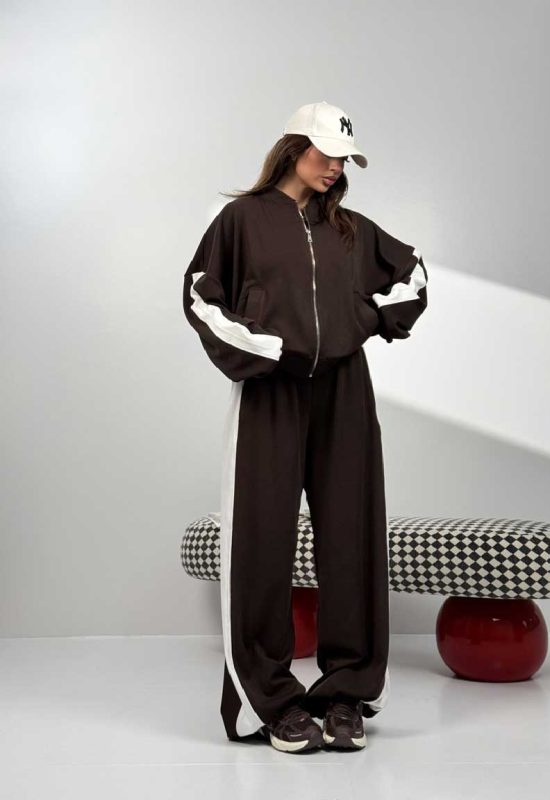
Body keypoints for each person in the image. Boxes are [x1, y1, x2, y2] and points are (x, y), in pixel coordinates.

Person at [182, 100, 428, 754]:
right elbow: (201, 296)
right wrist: (266, 349)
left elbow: (414, 277)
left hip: (345, 390)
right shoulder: (243, 220)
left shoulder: (351, 229)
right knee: (261, 538)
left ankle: (347, 693)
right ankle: (268, 700)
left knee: (351, 535)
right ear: (294, 148)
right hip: (271, 390)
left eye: (345, 158)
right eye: (326, 153)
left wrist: (366, 321)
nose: (336, 167)